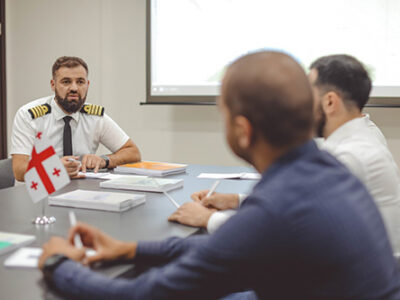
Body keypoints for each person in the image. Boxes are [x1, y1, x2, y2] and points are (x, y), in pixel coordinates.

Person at [38, 51, 400, 299]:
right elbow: (225, 246)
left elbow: (143, 294)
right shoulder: (322, 172)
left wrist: (58, 263)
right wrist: (130, 249)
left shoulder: (279, 207)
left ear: (242, 130)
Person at [173, 55, 400, 254]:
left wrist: (208, 219)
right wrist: (237, 201)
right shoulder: (365, 135)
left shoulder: (348, 157)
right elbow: (294, 210)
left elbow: (275, 233)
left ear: (330, 102)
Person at [10, 56, 141, 181]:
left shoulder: (94, 116)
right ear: (53, 84)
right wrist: (53, 168)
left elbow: (132, 152)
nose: (74, 88)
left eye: (80, 82)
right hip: (39, 191)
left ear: (87, 84)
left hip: (80, 190)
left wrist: (104, 160)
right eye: (66, 82)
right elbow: (19, 171)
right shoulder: (29, 115)